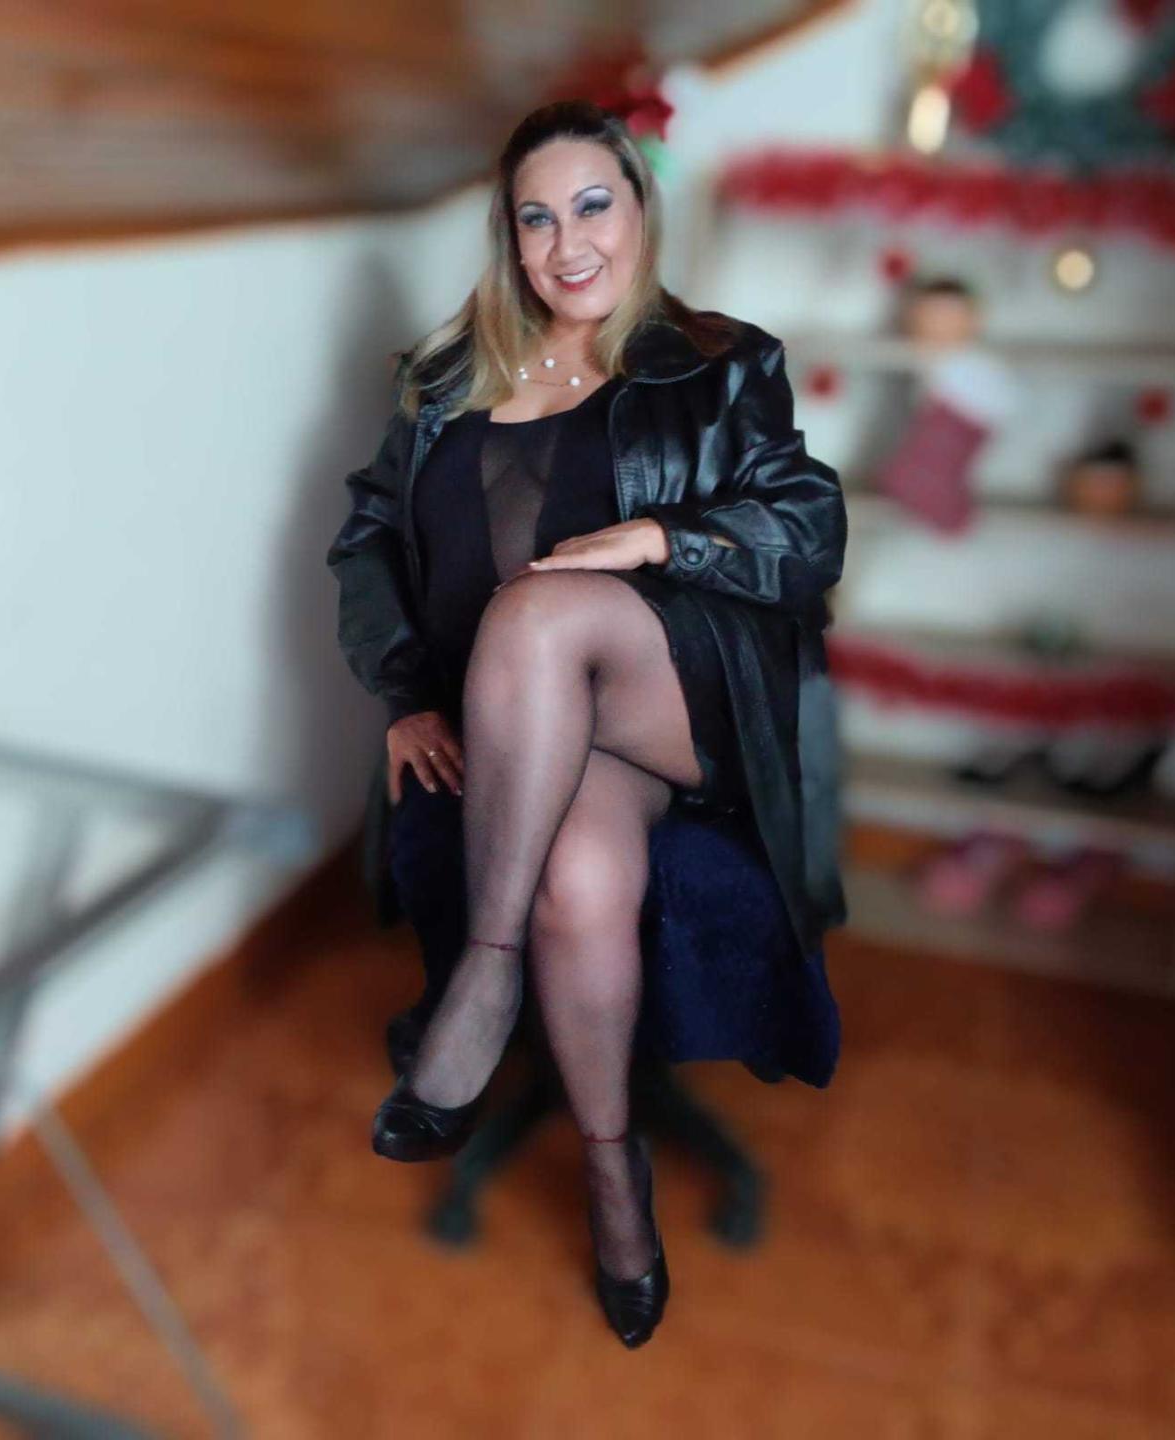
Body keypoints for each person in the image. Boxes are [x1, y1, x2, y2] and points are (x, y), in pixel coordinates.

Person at [325, 99, 847, 1348]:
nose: (569, 244)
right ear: (509, 238)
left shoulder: (720, 363)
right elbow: (367, 540)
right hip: (542, 743)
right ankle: (616, 1181)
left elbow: (809, 528)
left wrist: (660, 537)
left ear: (640, 212)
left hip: (684, 703)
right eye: (537, 218)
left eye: (593, 206)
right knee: (577, 875)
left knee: (540, 608)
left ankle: (482, 977)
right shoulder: (443, 384)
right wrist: (404, 694)